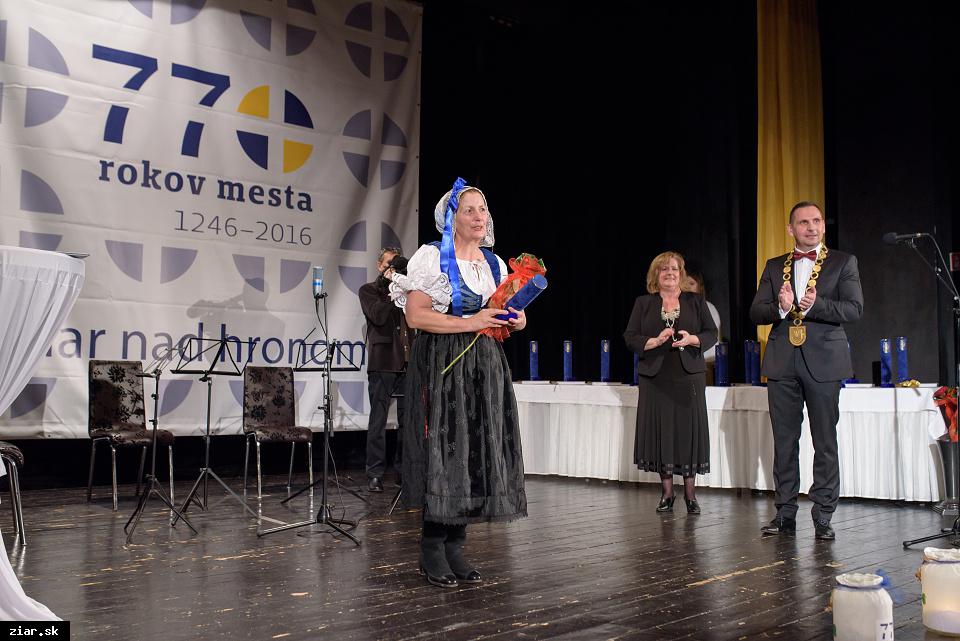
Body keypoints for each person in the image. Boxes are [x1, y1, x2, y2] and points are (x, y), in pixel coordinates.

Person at [389, 178, 527, 588]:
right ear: (452, 219)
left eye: (482, 209)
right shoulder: (433, 257)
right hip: (443, 363)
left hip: (485, 365)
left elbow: (504, 317)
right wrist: (471, 321)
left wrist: (517, 320)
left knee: (474, 450)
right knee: (445, 449)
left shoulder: (494, 264)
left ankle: (456, 545)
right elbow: (416, 316)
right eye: (469, 210)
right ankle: (432, 547)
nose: (479, 217)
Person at [749, 201, 863, 540]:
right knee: (785, 441)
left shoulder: (843, 262)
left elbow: (854, 309)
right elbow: (756, 312)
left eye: (816, 221)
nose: (811, 227)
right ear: (791, 229)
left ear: (823, 226)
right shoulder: (774, 266)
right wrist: (780, 307)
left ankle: (823, 515)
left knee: (824, 440)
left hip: (824, 361)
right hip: (783, 360)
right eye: (803, 222)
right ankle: (784, 513)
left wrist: (818, 305)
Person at [624, 251, 717, 514]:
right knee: (661, 431)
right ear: (656, 275)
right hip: (656, 377)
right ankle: (667, 493)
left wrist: (692, 339)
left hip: (689, 375)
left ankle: (690, 495)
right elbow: (630, 336)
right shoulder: (643, 303)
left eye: (674, 269)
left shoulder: (695, 301)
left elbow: (712, 333)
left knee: (688, 432)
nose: (670, 273)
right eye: (664, 269)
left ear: (681, 273)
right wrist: (652, 342)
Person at [358, 247, 410, 493]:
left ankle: (403, 472)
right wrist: (393, 291)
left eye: (397, 266)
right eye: (390, 264)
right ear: (380, 266)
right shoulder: (369, 290)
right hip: (383, 362)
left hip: (407, 362)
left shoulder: (407, 290)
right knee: (378, 420)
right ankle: (375, 473)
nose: (394, 270)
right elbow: (377, 316)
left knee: (407, 421)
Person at [684, 272, 722, 385]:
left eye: (691, 283)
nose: (687, 287)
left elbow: (712, 340)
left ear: (700, 287)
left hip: (702, 364)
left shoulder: (708, 308)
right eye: (684, 283)